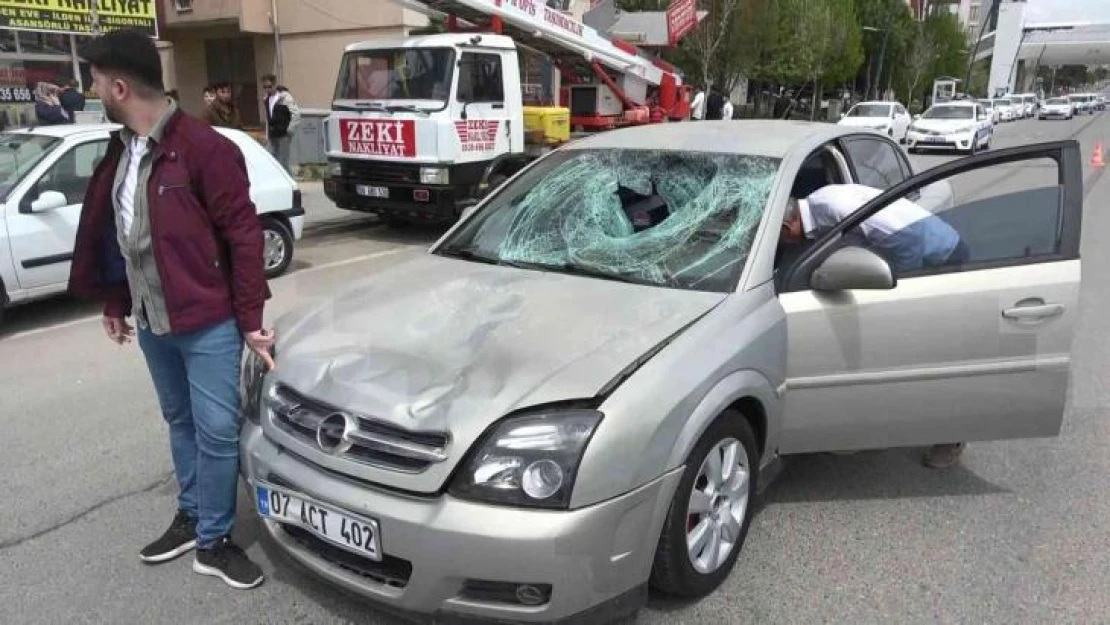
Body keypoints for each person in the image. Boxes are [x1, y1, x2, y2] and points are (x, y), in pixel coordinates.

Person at [68, 29, 274, 589]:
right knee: (179, 422)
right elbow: (120, 237)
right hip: (153, 320)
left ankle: (215, 540)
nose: (91, 89)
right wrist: (115, 300)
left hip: (207, 322)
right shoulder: (124, 150)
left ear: (117, 86)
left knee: (217, 433)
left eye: (94, 81)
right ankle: (191, 517)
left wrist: (251, 320)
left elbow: (244, 237)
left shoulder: (207, 149)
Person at [780, 183, 967, 469]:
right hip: (919, 251)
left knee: (932, 354)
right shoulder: (817, 206)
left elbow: (908, 242)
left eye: (784, 240)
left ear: (786, 226)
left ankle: (951, 436)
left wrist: (897, 297)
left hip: (941, 256)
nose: (788, 246)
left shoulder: (834, 209)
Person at [261, 75, 301, 173]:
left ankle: (292, 185)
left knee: (283, 162)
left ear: (275, 85)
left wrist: (289, 130)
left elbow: (296, 114)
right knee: (271, 160)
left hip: (283, 135)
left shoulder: (285, 98)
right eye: (265, 87)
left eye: (269, 86)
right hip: (272, 134)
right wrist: (266, 135)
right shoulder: (266, 99)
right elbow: (268, 118)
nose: (267, 89)